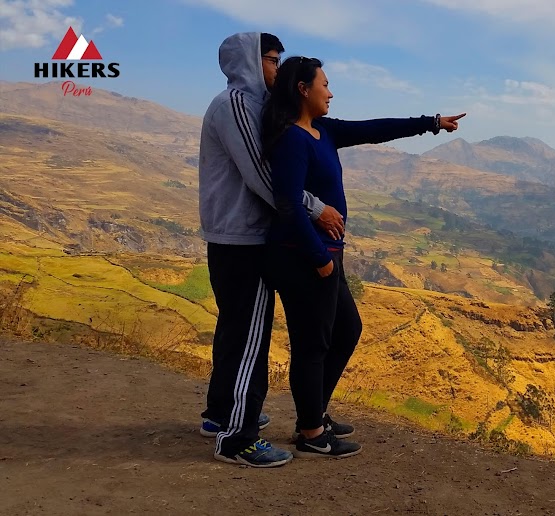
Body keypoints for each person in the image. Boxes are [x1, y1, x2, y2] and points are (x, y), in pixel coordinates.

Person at [261, 56, 464, 458]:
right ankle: (311, 433)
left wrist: (431, 122)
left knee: (347, 329)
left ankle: (315, 413)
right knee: (312, 344)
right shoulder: (291, 139)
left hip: (325, 257)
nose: (331, 92)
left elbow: (374, 130)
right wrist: (319, 257)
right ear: (303, 89)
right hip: (302, 257)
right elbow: (286, 202)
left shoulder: (321, 130)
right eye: (325, 84)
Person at [197, 32, 345, 467]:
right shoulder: (238, 105)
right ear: (249, 60)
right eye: (272, 60)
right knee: (250, 340)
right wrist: (316, 209)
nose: (278, 69)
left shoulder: (243, 104)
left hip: (233, 237)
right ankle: (238, 439)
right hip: (243, 238)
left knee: (233, 333)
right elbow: (265, 179)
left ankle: (220, 414)